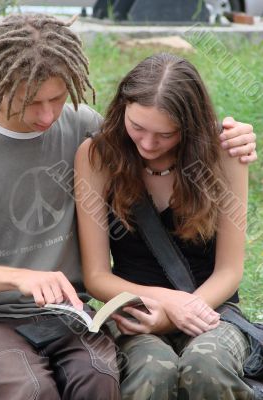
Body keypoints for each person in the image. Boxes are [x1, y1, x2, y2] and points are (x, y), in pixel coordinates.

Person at [0, 13, 257, 400]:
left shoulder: (78, 124)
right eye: (30, 102)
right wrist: (18, 277)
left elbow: (164, 127)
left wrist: (231, 137)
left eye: (57, 98)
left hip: (67, 314)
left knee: (99, 378)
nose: (47, 116)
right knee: (30, 388)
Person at [74, 52, 255, 400]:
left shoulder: (224, 153)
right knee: (152, 373)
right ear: (122, 108)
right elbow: (97, 277)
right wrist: (169, 304)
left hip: (212, 308)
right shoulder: (97, 156)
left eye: (165, 134)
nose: (147, 144)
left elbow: (230, 270)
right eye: (137, 127)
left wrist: (182, 314)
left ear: (190, 127)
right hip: (134, 311)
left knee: (208, 367)